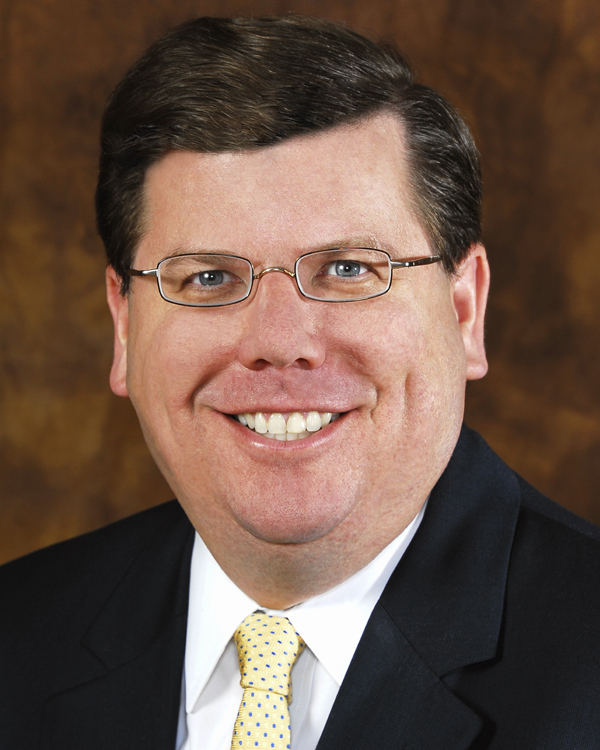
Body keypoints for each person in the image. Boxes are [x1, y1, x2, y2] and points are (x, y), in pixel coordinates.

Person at [1, 14, 599, 750]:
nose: (279, 343)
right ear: (124, 327)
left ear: (463, 310)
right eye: (209, 278)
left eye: (348, 269)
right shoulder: (17, 638)